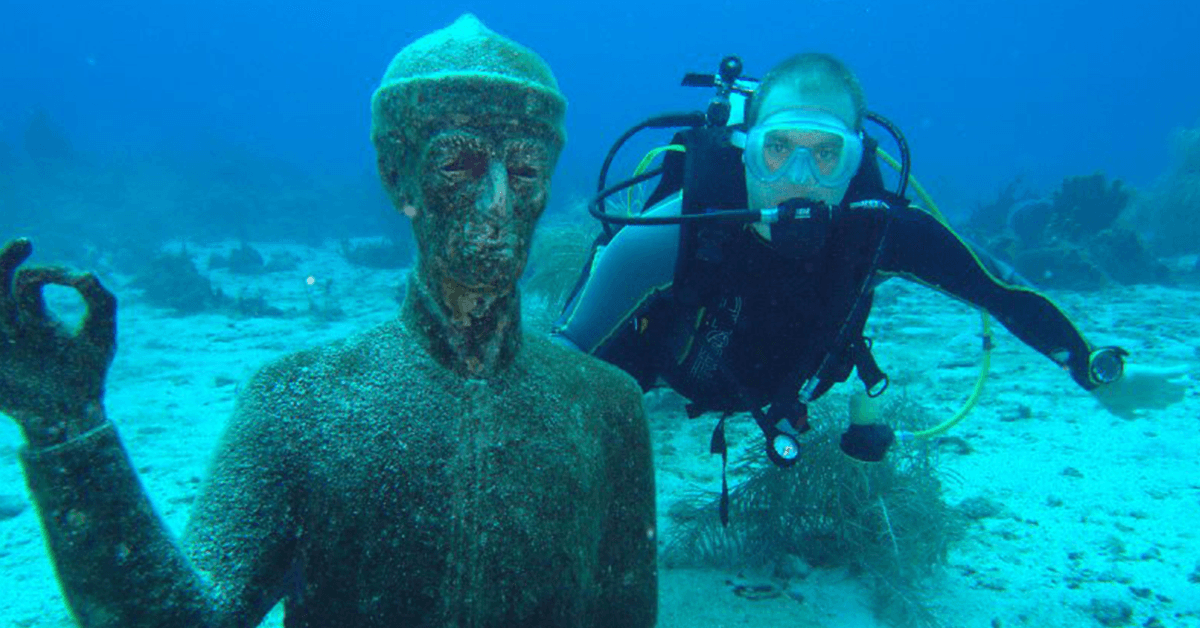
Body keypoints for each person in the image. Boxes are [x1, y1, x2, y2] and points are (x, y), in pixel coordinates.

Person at [0, 14, 656, 628]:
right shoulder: (295, 405)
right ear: (397, 177)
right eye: (461, 165)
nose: (498, 201)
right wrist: (70, 434)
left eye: (524, 170)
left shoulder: (605, 407)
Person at [553, 53, 1186, 473]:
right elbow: (566, 352)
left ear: (855, 160)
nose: (798, 178)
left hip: (782, 386)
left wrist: (1092, 369)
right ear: (744, 153)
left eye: (825, 154)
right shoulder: (672, 234)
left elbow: (998, 289)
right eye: (778, 151)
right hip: (663, 364)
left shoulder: (878, 231)